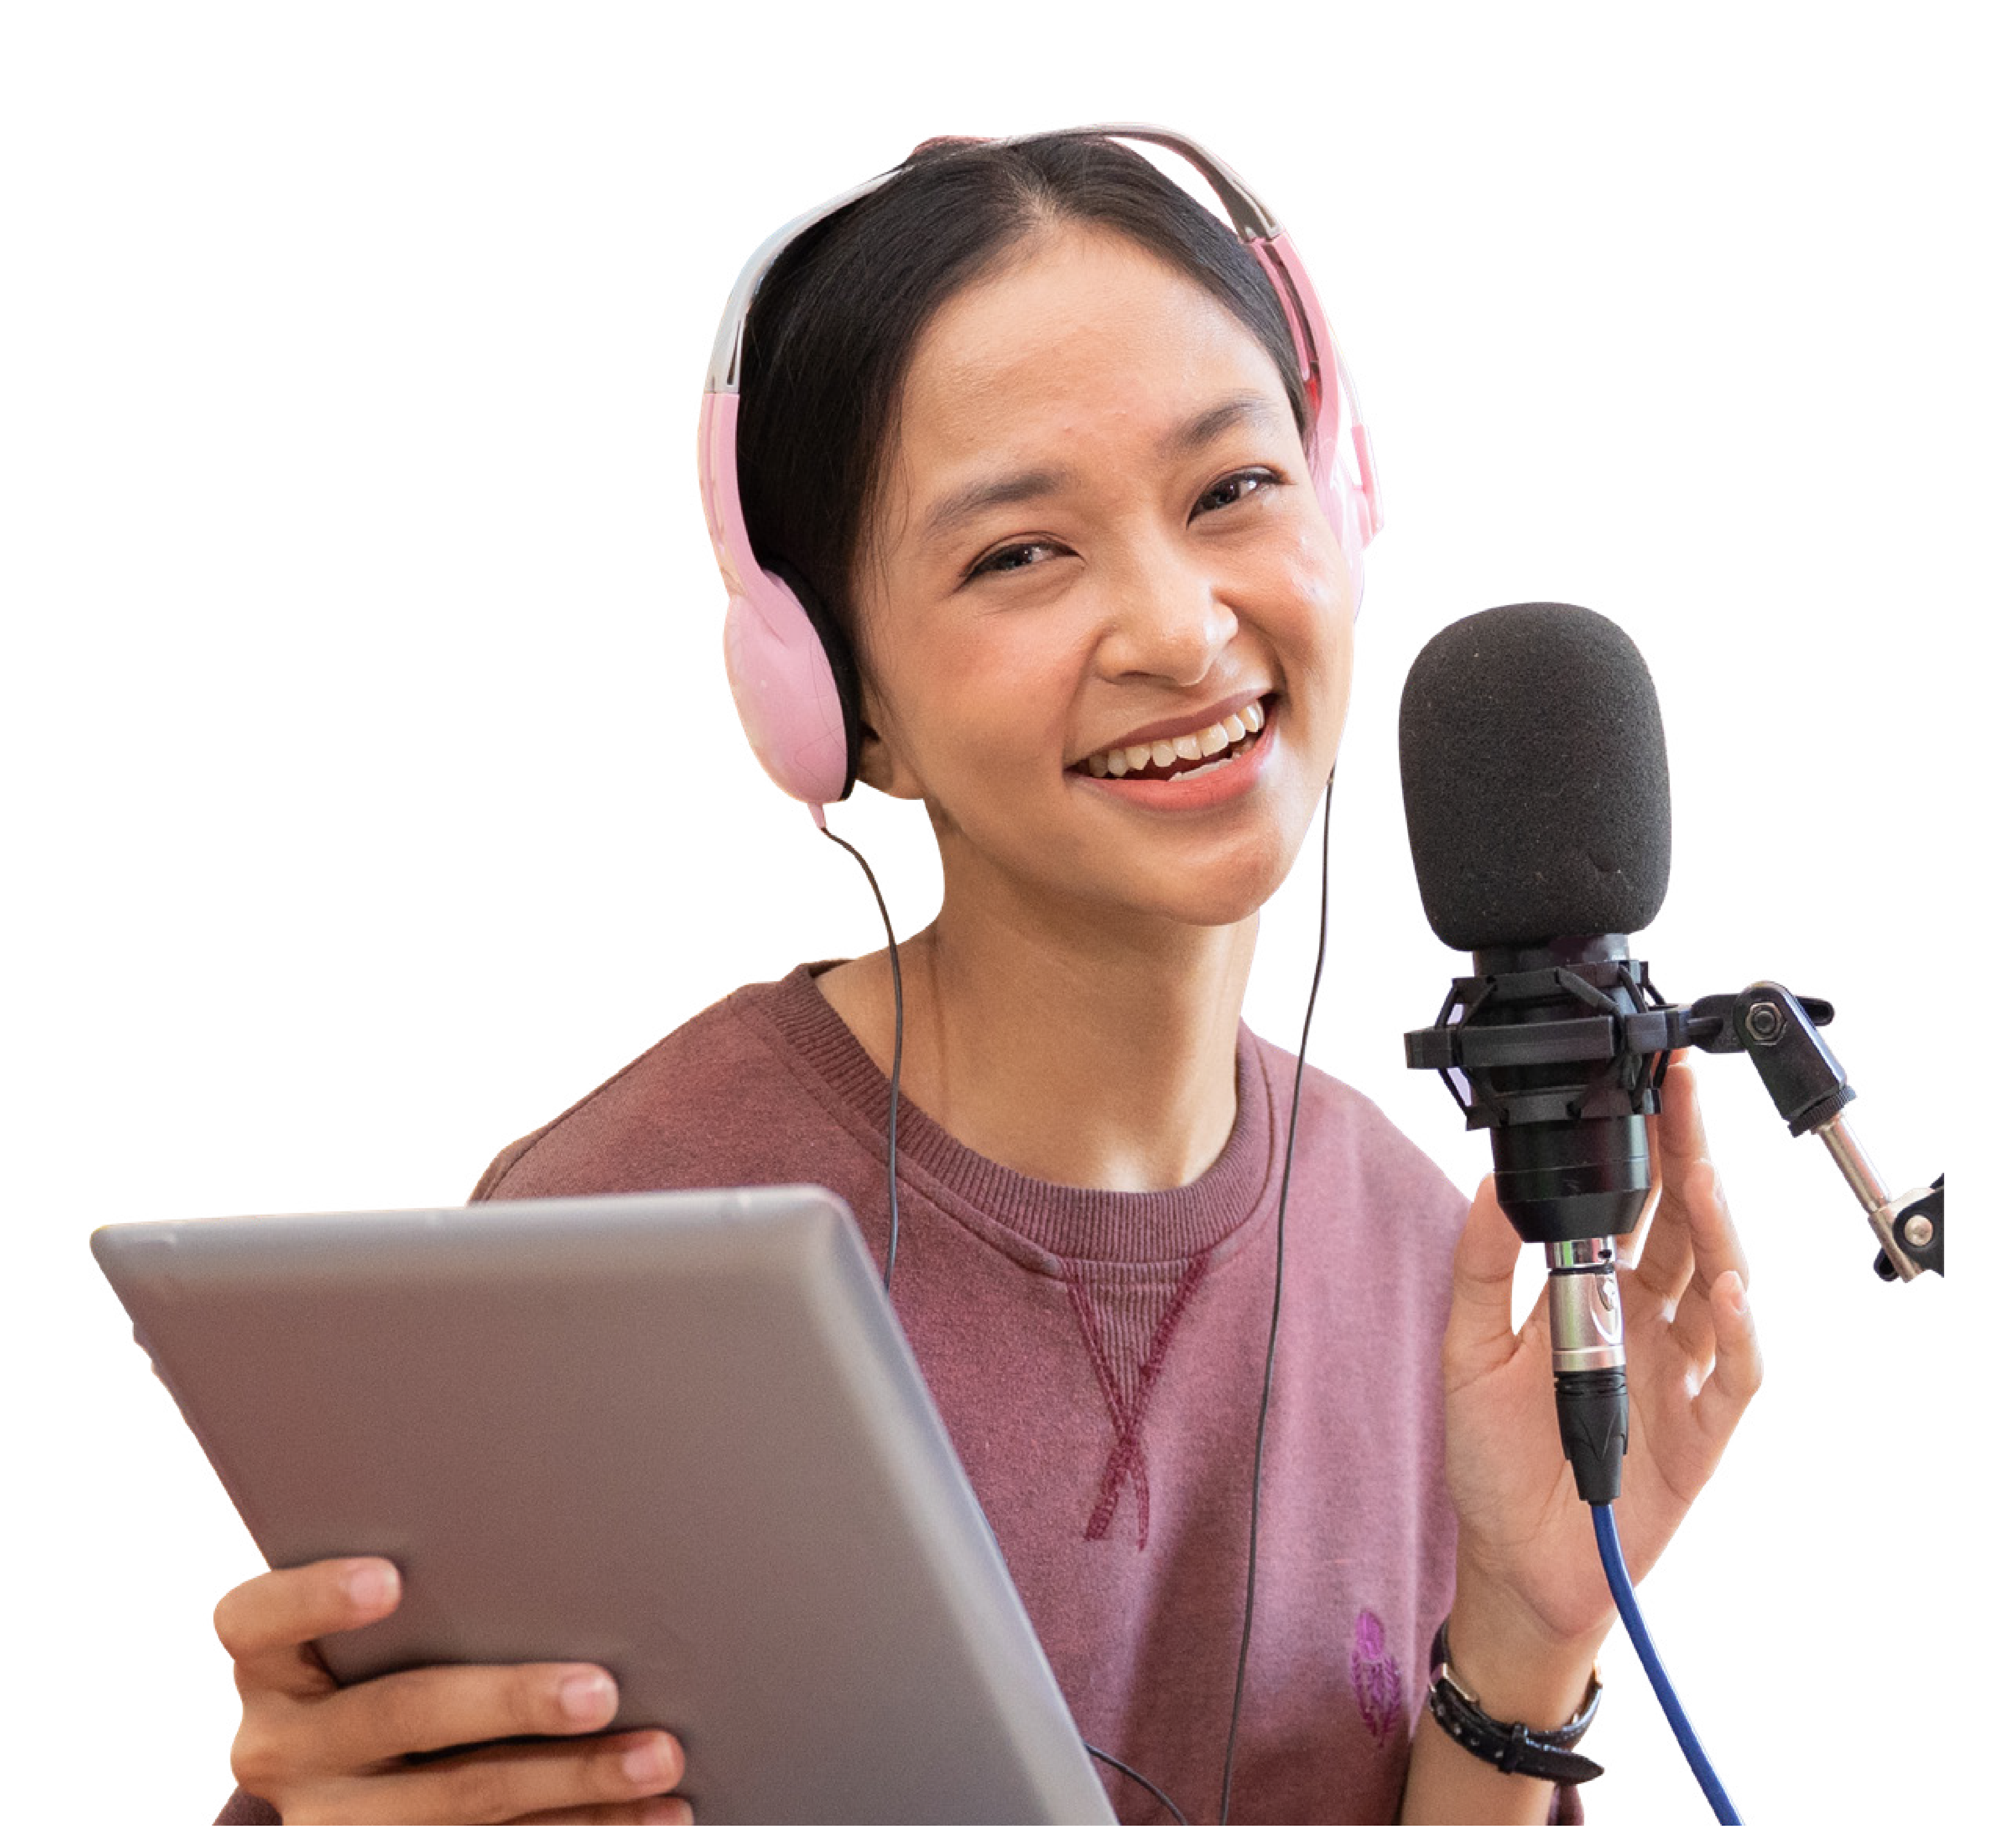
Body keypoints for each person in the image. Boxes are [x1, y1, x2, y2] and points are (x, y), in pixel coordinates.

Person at [207, 126, 1761, 1825]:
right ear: (828, 695)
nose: (1176, 630)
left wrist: (1527, 1651)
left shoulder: (1423, 1262)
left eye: (1228, 489)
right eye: (1019, 552)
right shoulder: (620, 1251)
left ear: (1340, 502)